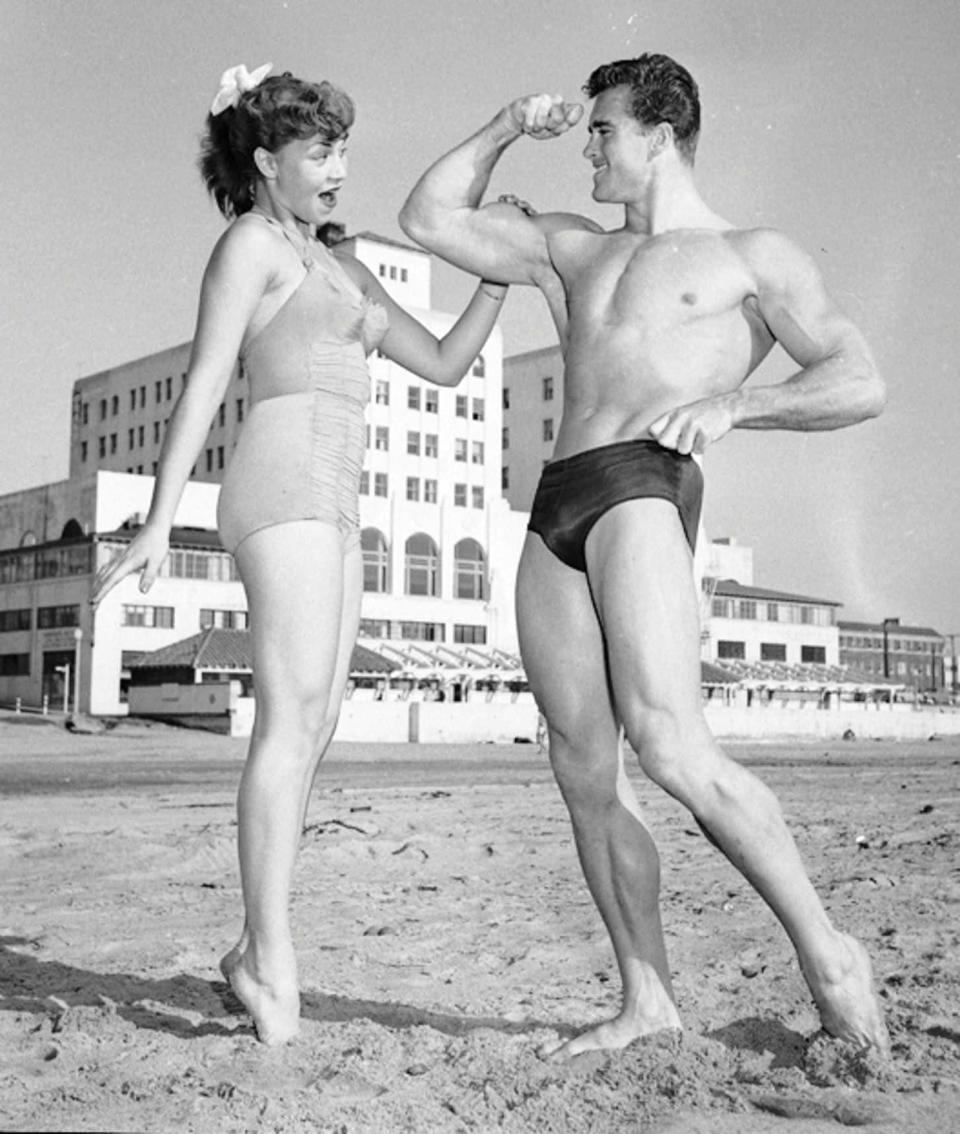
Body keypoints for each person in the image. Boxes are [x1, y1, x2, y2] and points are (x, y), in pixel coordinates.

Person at [400, 53, 889, 1059]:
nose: (587, 147)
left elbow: (858, 378)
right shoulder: (573, 252)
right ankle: (648, 997)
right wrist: (502, 126)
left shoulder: (750, 255)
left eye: (602, 130)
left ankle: (830, 952)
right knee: (582, 767)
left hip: (643, 481)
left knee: (669, 745)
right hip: (556, 503)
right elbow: (428, 219)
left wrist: (741, 401)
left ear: (660, 135)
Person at [91, 63, 509, 1045]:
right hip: (280, 480)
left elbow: (448, 362)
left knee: (316, 721)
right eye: (320, 152)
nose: (339, 168)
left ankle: (251, 948)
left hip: (338, 494)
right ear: (265, 161)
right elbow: (202, 380)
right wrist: (159, 520)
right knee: (288, 723)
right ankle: (273, 967)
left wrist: (497, 275)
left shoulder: (343, 263)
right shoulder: (247, 245)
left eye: (343, 150)